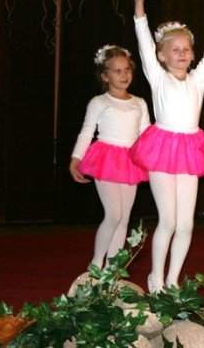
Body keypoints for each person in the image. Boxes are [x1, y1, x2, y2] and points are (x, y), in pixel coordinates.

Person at [131, 0, 204, 292]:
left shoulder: (198, 79)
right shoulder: (158, 77)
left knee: (186, 224)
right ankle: (156, 278)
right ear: (162, 55)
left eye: (186, 49)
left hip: (190, 149)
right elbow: (143, 42)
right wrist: (139, 7)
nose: (183, 53)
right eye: (175, 49)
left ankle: (173, 280)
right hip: (161, 148)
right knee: (169, 220)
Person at [70, 45, 149, 268]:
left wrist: (152, 159)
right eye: (117, 71)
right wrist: (76, 158)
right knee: (114, 214)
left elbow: (145, 134)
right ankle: (96, 264)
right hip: (106, 159)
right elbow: (87, 131)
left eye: (127, 70)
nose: (124, 75)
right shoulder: (99, 102)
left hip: (131, 161)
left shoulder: (139, 103)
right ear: (105, 76)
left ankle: (112, 269)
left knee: (124, 217)